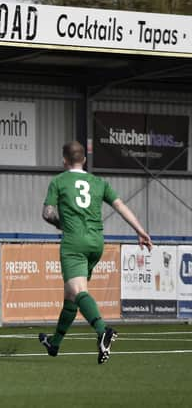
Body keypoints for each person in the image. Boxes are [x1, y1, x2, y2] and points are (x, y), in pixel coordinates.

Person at [39, 140, 153, 364]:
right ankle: (54, 343)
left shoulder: (59, 182)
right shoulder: (99, 182)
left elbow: (47, 213)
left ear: (64, 160)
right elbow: (120, 206)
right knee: (71, 296)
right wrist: (140, 230)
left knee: (78, 290)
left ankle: (103, 331)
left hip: (74, 242)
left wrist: (61, 224)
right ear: (84, 160)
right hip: (97, 243)